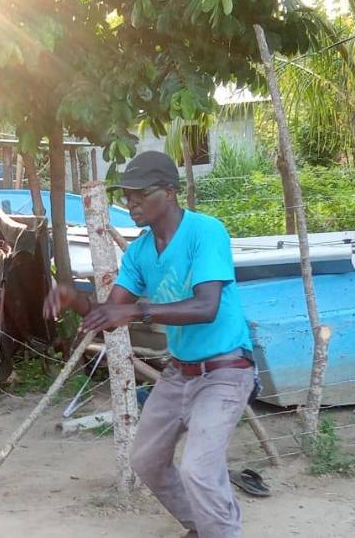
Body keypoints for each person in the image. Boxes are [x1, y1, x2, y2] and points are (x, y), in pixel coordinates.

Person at [44, 151, 255, 538]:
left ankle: (220, 531)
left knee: (198, 469)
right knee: (146, 459)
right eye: (126, 194)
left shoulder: (206, 232)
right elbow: (113, 314)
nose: (131, 202)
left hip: (226, 370)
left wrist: (138, 311)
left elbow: (206, 307)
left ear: (171, 193)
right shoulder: (141, 250)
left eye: (141, 193)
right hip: (181, 372)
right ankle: (203, 526)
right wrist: (76, 299)